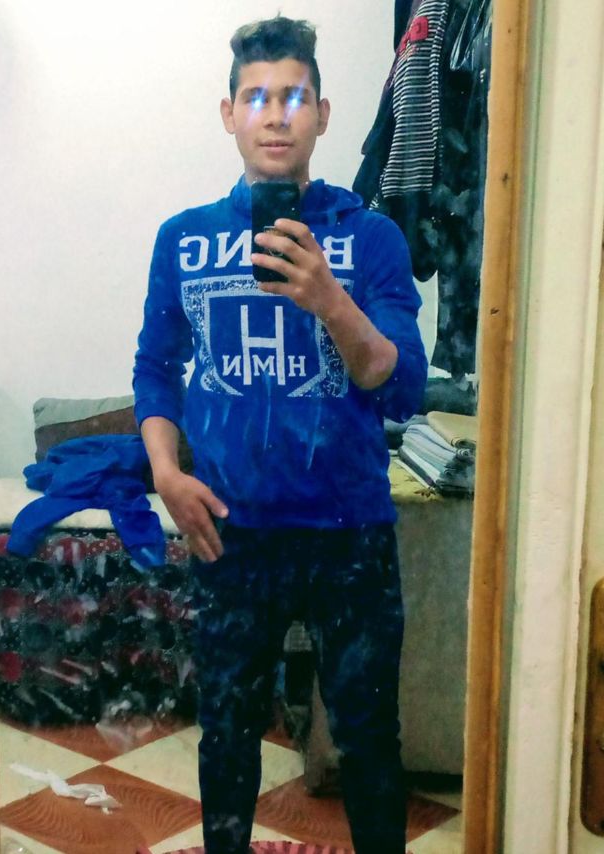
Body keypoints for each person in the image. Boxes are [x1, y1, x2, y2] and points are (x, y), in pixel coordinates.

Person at [133, 15, 427, 854]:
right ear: (228, 113)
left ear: (323, 115)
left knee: (369, 738)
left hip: (350, 535)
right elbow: (156, 369)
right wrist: (166, 472)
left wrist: (331, 300)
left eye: (294, 97)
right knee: (227, 733)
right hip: (233, 531)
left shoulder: (370, 237)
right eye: (256, 97)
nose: (274, 115)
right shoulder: (184, 240)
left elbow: (401, 387)